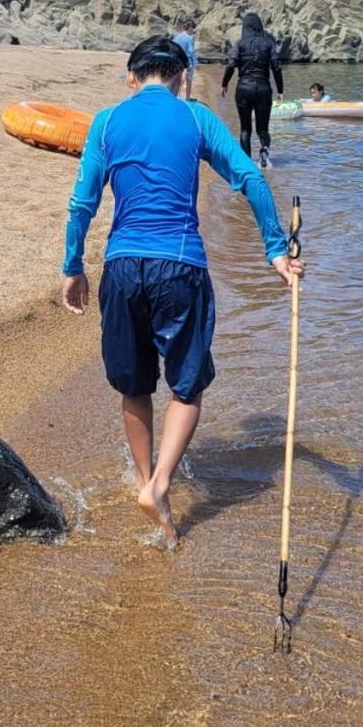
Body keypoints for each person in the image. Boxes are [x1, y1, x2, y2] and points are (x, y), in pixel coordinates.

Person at [62, 35, 305, 548]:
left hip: (123, 265)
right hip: (180, 266)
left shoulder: (106, 121)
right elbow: (250, 179)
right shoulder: (195, 118)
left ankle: (142, 478)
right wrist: (275, 249)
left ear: (132, 78)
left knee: (134, 384)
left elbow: (81, 201)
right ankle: (161, 486)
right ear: (181, 75)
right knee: (186, 387)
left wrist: (73, 266)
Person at [221, 12, 283, 169]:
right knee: (263, 128)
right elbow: (276, 67)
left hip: (244, 89)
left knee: (245, 128)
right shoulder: (268, 43)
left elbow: (230, 65)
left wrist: (224, 84)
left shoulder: (240, 43)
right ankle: (264, 152)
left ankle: (247, 164)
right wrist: (280, 90)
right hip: (263, 89)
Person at [171, 21, 199, 99]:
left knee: (178, 80)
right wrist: (196, 63)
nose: (194, 31)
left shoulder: (176, 37)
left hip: (177, 61)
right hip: (187, 62)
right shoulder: (190, 38)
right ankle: (187, 99)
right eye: (193, 29)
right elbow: (191, 51)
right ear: (190, 28)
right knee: (189, 80)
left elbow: (172, 48)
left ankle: (177, 97)